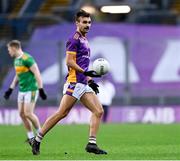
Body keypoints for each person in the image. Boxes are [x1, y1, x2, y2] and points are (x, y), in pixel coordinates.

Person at [31, 10, 107, 155]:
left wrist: (89, 80)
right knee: (62, 113)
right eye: (84, 22)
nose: (87, 25)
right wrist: (85, 74)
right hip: (74, 82)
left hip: (83, 83)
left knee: (98, 111)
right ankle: (37, 139)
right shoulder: (74, 39)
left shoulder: (85, 39)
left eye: (89, 22)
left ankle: (92, 144)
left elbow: (83, 64)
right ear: (77, 23)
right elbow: (69, 61)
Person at [4, 40, 47, 145]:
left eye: (9, 49)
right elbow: (18, 75)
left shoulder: (27, 59)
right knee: (22, 114)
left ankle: (40, 134)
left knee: (28, 113)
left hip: (31, 89)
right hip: (22, 90)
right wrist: (11, 89)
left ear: (14, 48)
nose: (9, 52)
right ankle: (31, 138)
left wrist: (41, 89)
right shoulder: (16, 60)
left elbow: (37, 73)